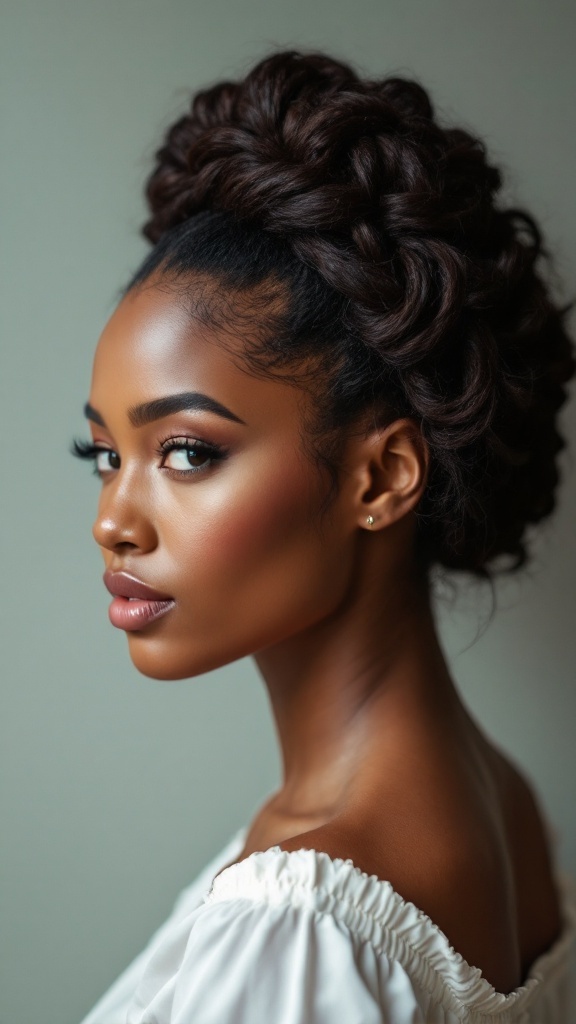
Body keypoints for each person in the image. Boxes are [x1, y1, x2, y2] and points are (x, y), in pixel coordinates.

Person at [74, 49, 576, 1024]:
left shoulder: (304, 929)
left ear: (381, 476)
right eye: (101, 452)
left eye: (184, 450)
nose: (112, 519)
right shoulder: (503, 807)